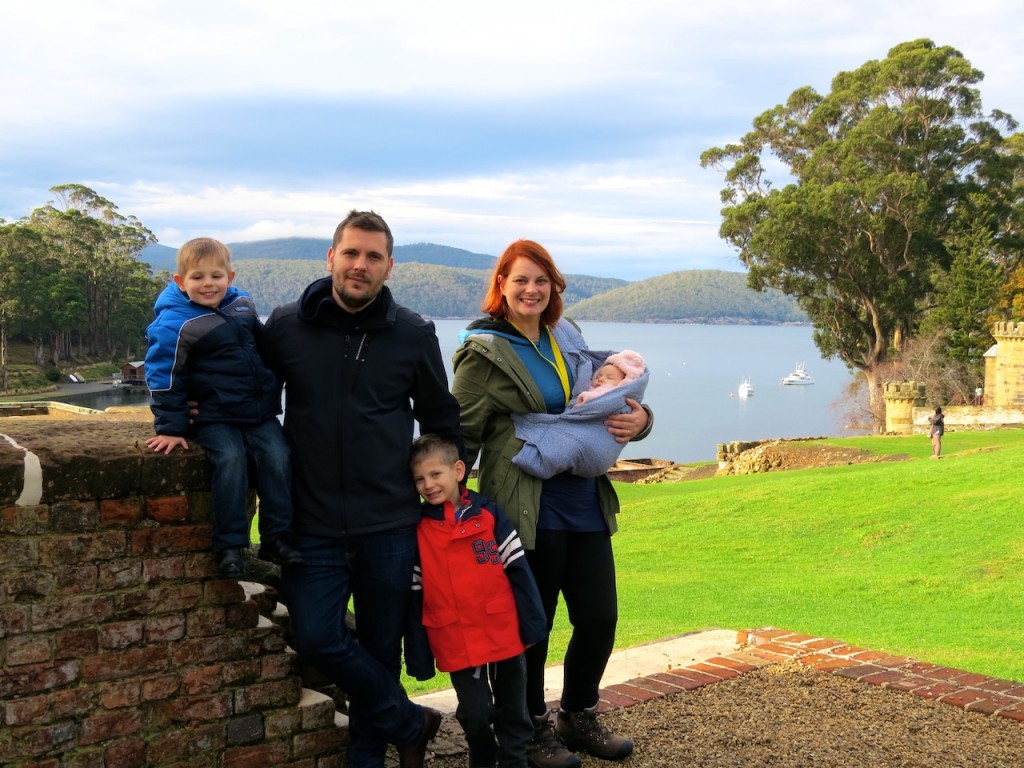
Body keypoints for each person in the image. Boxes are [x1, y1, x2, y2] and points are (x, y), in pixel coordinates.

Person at [259, 210, 462, 768]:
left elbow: (441, 418)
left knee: (380, 648)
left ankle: (367, 756)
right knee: (320, 638)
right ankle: (408, 720)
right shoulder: (284, 326)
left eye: (373, 256)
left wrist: (443, 478)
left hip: (391, 524)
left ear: (389, 266)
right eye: (351, 253)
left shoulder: (413, 333)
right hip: (310, 523)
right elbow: (253, 402)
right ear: (330, 257)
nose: (360, 265)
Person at [451, 239, 652, 768]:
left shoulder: (567, 336)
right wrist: (450, 503)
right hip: (525, 501)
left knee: (599, 616)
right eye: (520, 280)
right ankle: (529, 725)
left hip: (583, 498)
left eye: (541, 280)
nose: (531, 290)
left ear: (553, 288)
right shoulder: (484, 352)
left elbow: (606, 397)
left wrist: (643, 419)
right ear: (501, 285)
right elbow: (462, 434)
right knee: (531, 624)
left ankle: (578, 714)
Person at [143, 237, 303, 579]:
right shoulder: (174, 323)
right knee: (230, 462)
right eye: (197, 277)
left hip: (256, 411)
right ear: (180, 281)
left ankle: (276, 537)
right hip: (213, 415)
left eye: (216, 276)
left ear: (230, 278)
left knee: (279, 458)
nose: (208, 284)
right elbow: (163, 376)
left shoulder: (241, 305)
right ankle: (230, 545)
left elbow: (263, 349)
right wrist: (171, 426)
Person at [409, 434, 547, 768]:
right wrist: (418, 654)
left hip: (502, 632)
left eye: (435, 474)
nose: (428, 484)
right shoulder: (418, 530)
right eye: (419, 479)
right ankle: (483, 757)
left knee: (513, 709)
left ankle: (515, 760)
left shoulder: (490, 516)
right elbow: (414, 597)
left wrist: (532, 624)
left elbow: (519, 573)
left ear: (458, 470)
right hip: (455, 638)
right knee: (475, 713)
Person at [511, 350, 649, 479]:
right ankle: (538, 459)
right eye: (599, 376)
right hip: (543, 479)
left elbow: (618, 402)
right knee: (565, 447)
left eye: (609, 377)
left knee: (565, 449)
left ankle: (537, 459)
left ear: (624, 383)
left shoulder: (567, 332)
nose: (600, 380)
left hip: (590, 475)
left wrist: (644, 420)